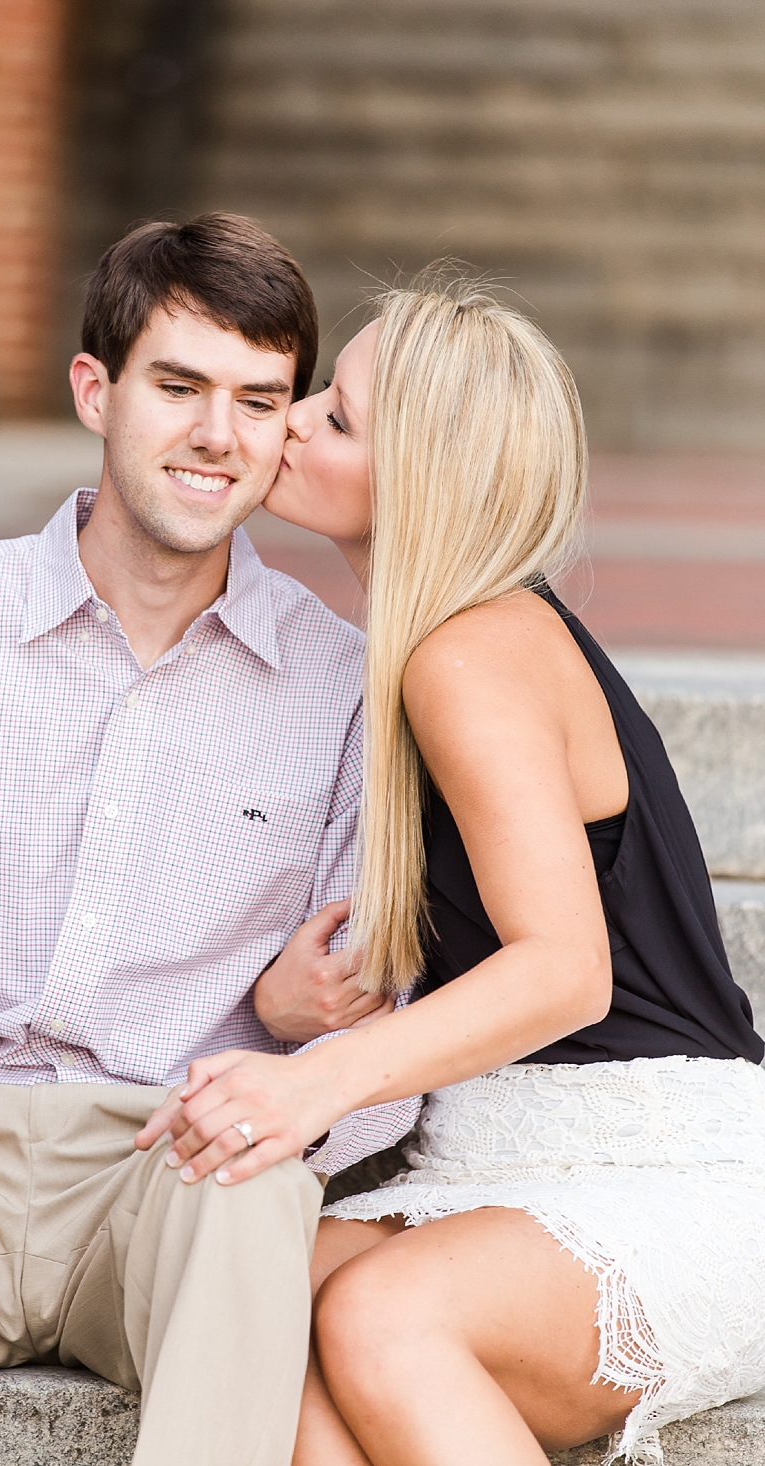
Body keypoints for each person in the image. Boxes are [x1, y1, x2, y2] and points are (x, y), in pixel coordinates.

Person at [0, 213, 418, 1466]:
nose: (215, 437)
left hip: (173, 1173)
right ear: (96, 388)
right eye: (178, 387)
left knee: (251, 1197)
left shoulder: (344, 687)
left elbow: (383, 1011)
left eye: (258, 399)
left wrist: (288, 1104)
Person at [144, 272, 765, 1465]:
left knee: (384, 1312)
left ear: (415, 473)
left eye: (334, 416)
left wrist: (314, 1079)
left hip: (666, 1164)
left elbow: (566, 972)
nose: (294, 418)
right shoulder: (431, 644)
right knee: (254, 1304)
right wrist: (286, 1012)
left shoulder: (468, 650)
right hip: (499, 1158)